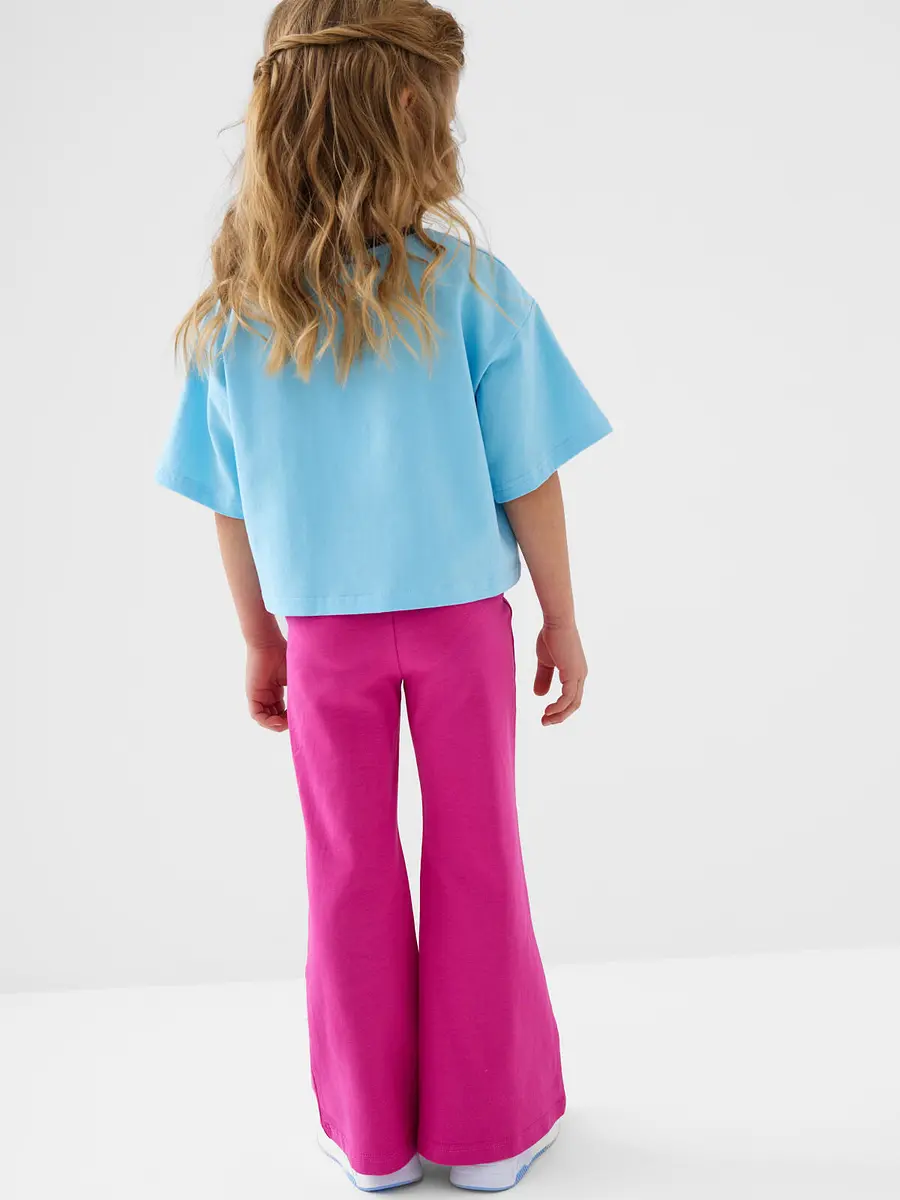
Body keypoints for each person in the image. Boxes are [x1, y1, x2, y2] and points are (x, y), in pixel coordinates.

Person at [156, 0, 612, 1191]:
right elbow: (530, 474)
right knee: (479, 857)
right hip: (460, 628)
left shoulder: (238, 317)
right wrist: (562, 617)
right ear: (412, 114)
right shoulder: (472, 291)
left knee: (348, 869)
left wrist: (259, 639)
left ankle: (373, 1140)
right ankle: (492, 1134)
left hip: (322, 638)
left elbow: (230, 503)